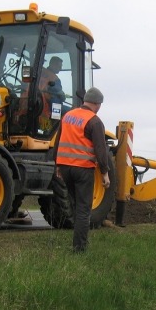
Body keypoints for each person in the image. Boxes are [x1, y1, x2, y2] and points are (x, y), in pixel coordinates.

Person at [54, 87, 110, 253]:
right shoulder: (94, 121)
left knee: (75, 206)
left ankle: (77, 242)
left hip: (65, 168)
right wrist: (105, 173)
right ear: (97, 104)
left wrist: (57, 165)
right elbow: (100, 150)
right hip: (83, 169)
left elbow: (58, 142)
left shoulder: (67, 116)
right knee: (84, 209)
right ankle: (79, 248)